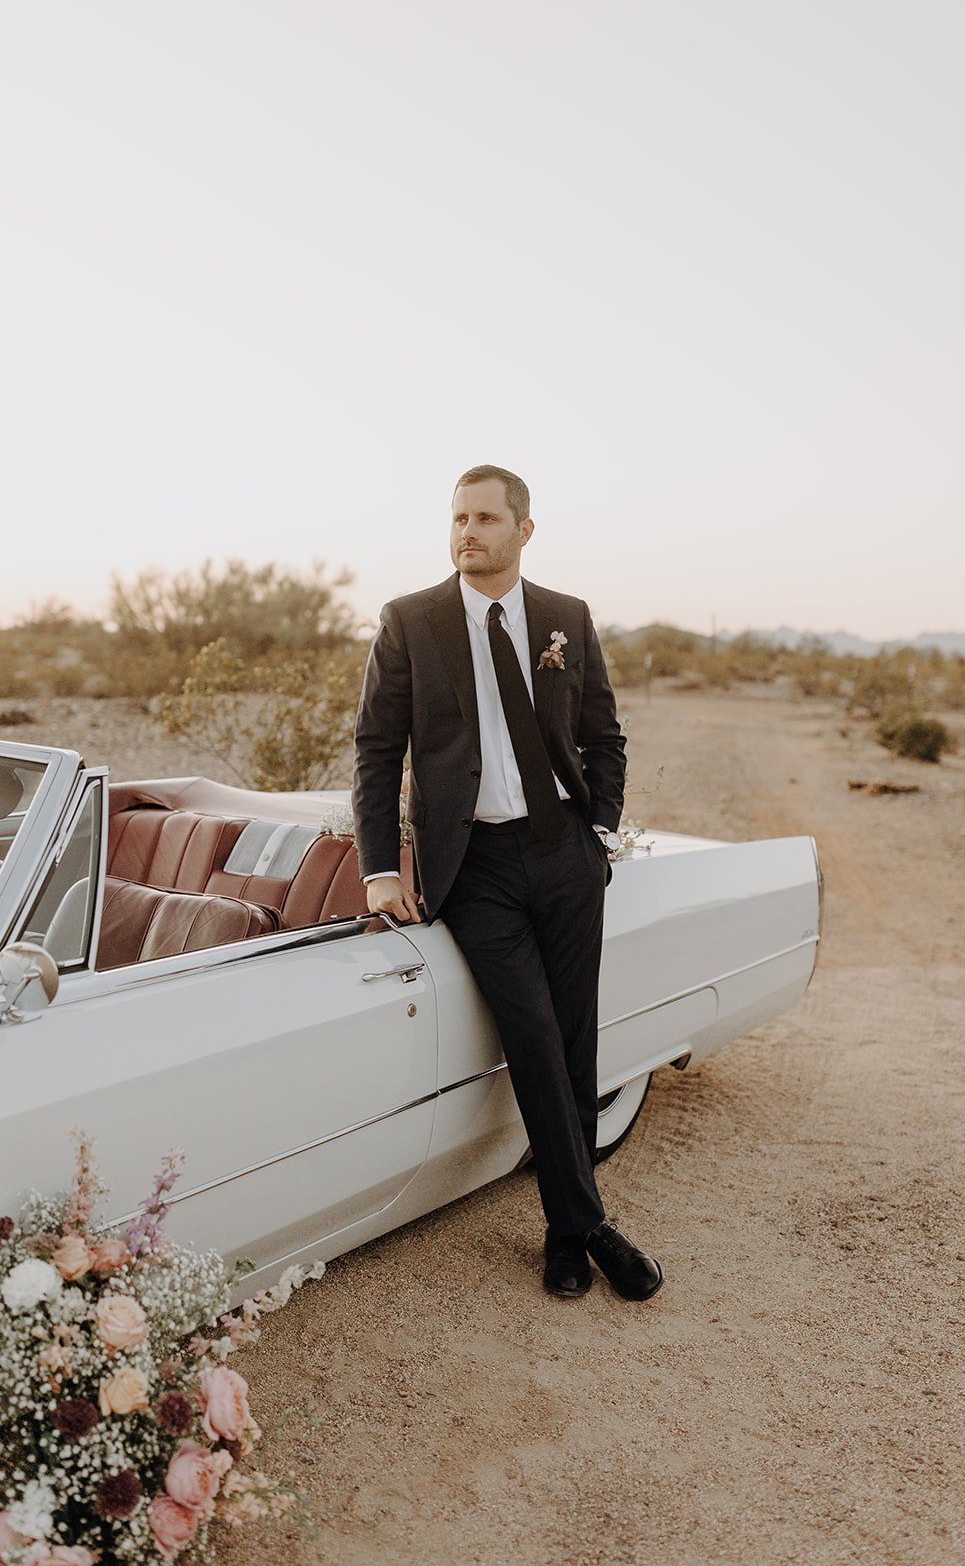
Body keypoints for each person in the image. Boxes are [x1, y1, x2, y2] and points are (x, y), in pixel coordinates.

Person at [352, 464, 662, 1301]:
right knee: (529, 1038)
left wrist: (598, 830)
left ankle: (567, 1232)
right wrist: (382, 870)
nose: (466, 531)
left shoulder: (565, 618)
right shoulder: (410, 621)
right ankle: (588, 1225)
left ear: (523, 529)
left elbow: (604, 732)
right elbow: (377, 752)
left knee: (575, 1040)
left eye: (485, 517)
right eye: (457, 517)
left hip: (564, 852)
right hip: (474, 865)